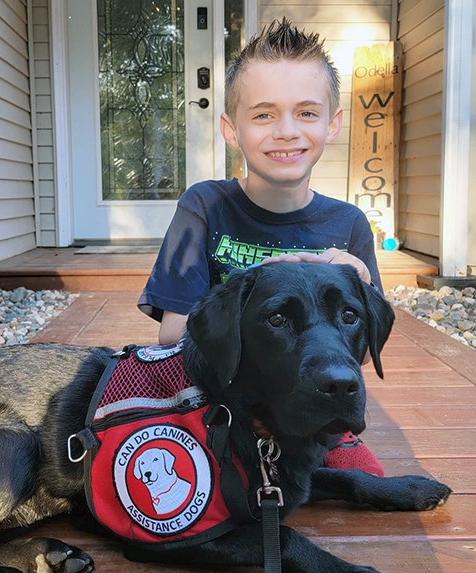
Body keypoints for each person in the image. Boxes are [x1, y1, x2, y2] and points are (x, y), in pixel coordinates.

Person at [137, 18, 384, 477]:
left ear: (332, 125)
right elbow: (172, 336)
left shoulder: (348, 224)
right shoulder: (205, 206)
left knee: (365, 483)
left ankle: (330, 436)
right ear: (232, 130)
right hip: (224, 403)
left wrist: (361, 293)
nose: (287, 131)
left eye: (307, 113)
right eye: (264, 114)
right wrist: (264, 279)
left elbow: (361, 353)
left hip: (311, 398)